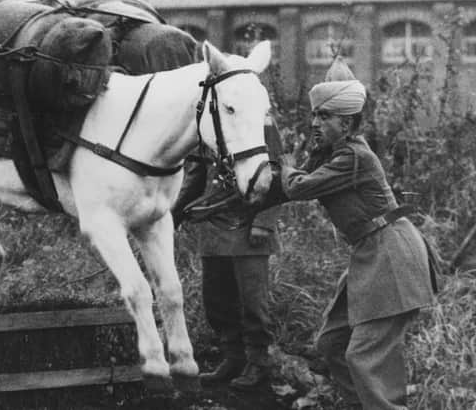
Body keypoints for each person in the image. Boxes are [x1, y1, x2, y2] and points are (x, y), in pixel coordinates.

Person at [277, 57, 437, 409]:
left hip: (390, 255)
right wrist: (308, 153)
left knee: (364, 355)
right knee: (333, 345)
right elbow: (304, 178)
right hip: (371, 253)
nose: (314, 123)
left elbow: (298, 188)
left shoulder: (353, 157)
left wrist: (284, 162)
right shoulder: (338, 152)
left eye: (324, 117)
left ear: (347, 122)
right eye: (314, 115)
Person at [172, 116, 282, 392]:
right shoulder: (207, 123)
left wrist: (264, 223)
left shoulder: (262, 120)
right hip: (213, 227)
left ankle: (259, 361)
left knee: (252, 302)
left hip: (249, 227)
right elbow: (196, 176)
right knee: (216, 300)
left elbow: (277, 171)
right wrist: (172, 214)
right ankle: (233, 358)